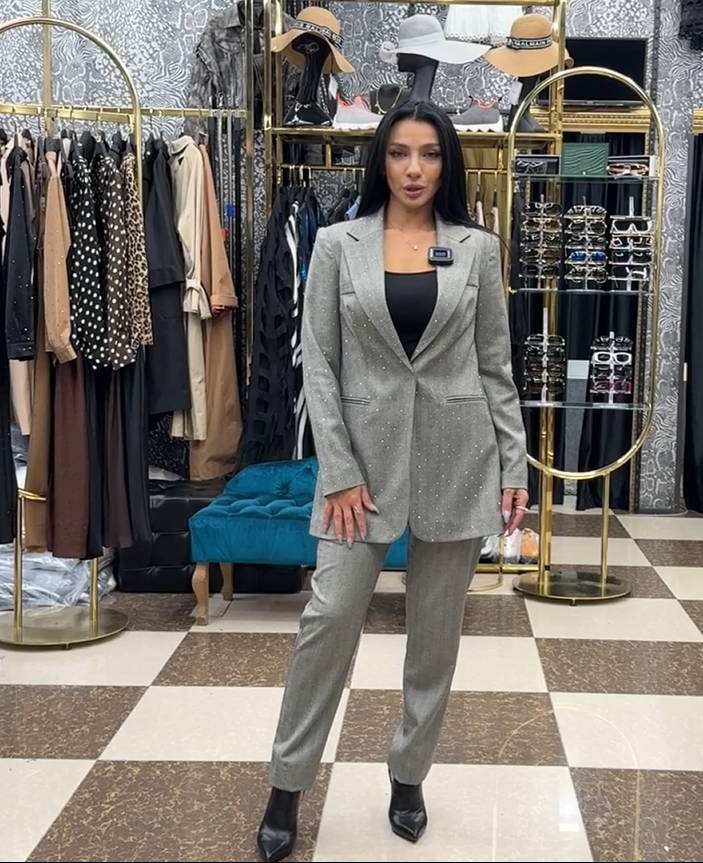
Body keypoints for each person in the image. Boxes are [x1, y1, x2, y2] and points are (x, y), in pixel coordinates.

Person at [254, 100, 529, 861]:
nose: (414, 169)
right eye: (400, 153)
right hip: (360, 472)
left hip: (459, 458)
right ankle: (286, 785)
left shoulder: (478, 249)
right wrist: (338, 472)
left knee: (435, 639)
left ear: (448, 163)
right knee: (328, 621)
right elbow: (318, 363)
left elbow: (495, 366)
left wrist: (513, 464)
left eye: (429, 154)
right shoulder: (338, 244)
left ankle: (409, 775)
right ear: (380, 160)